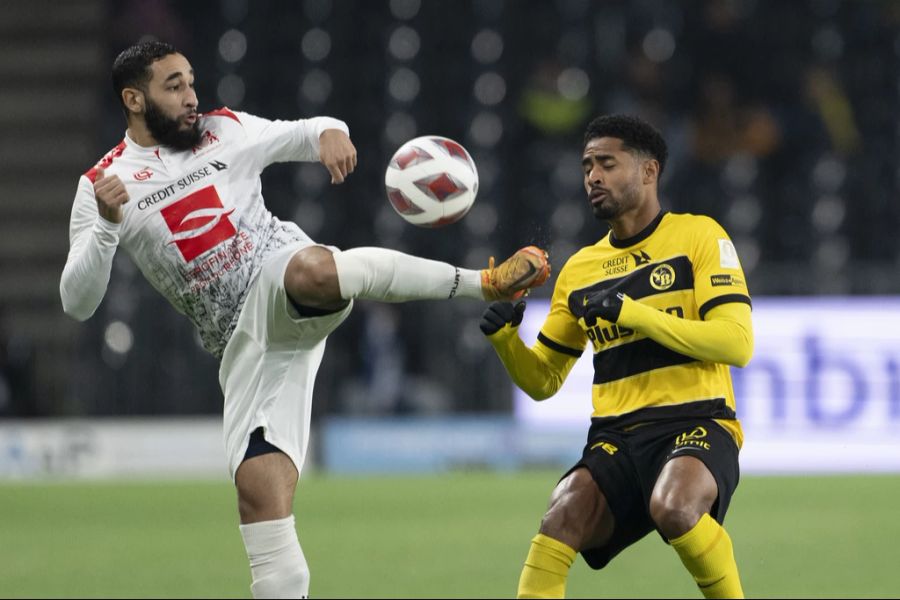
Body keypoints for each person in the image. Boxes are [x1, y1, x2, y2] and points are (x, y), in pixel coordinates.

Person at [60, 41, 550, 599]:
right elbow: (77, 302)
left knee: (316, 270)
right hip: (246, 346)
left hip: (283, 274)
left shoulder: (226, 129)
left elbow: (307, 129)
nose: (192, 96)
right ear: (133, 98)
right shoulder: (101, 184)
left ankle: (480, 282)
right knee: (262, 511)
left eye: (191, 81)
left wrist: (330, 131)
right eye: (173, 86)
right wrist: (105, 225)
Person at [480, 114, 753, 599]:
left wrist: (636, 314)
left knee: (675, 506)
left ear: (649, 172)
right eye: (587, 166)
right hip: (617, 437)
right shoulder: (581, 269)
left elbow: (737, 343)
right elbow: (544, 380)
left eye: (607, 163)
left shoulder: (700, 237)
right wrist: (506, 341)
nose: (592, 177)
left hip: (697, 421)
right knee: (560, 515)